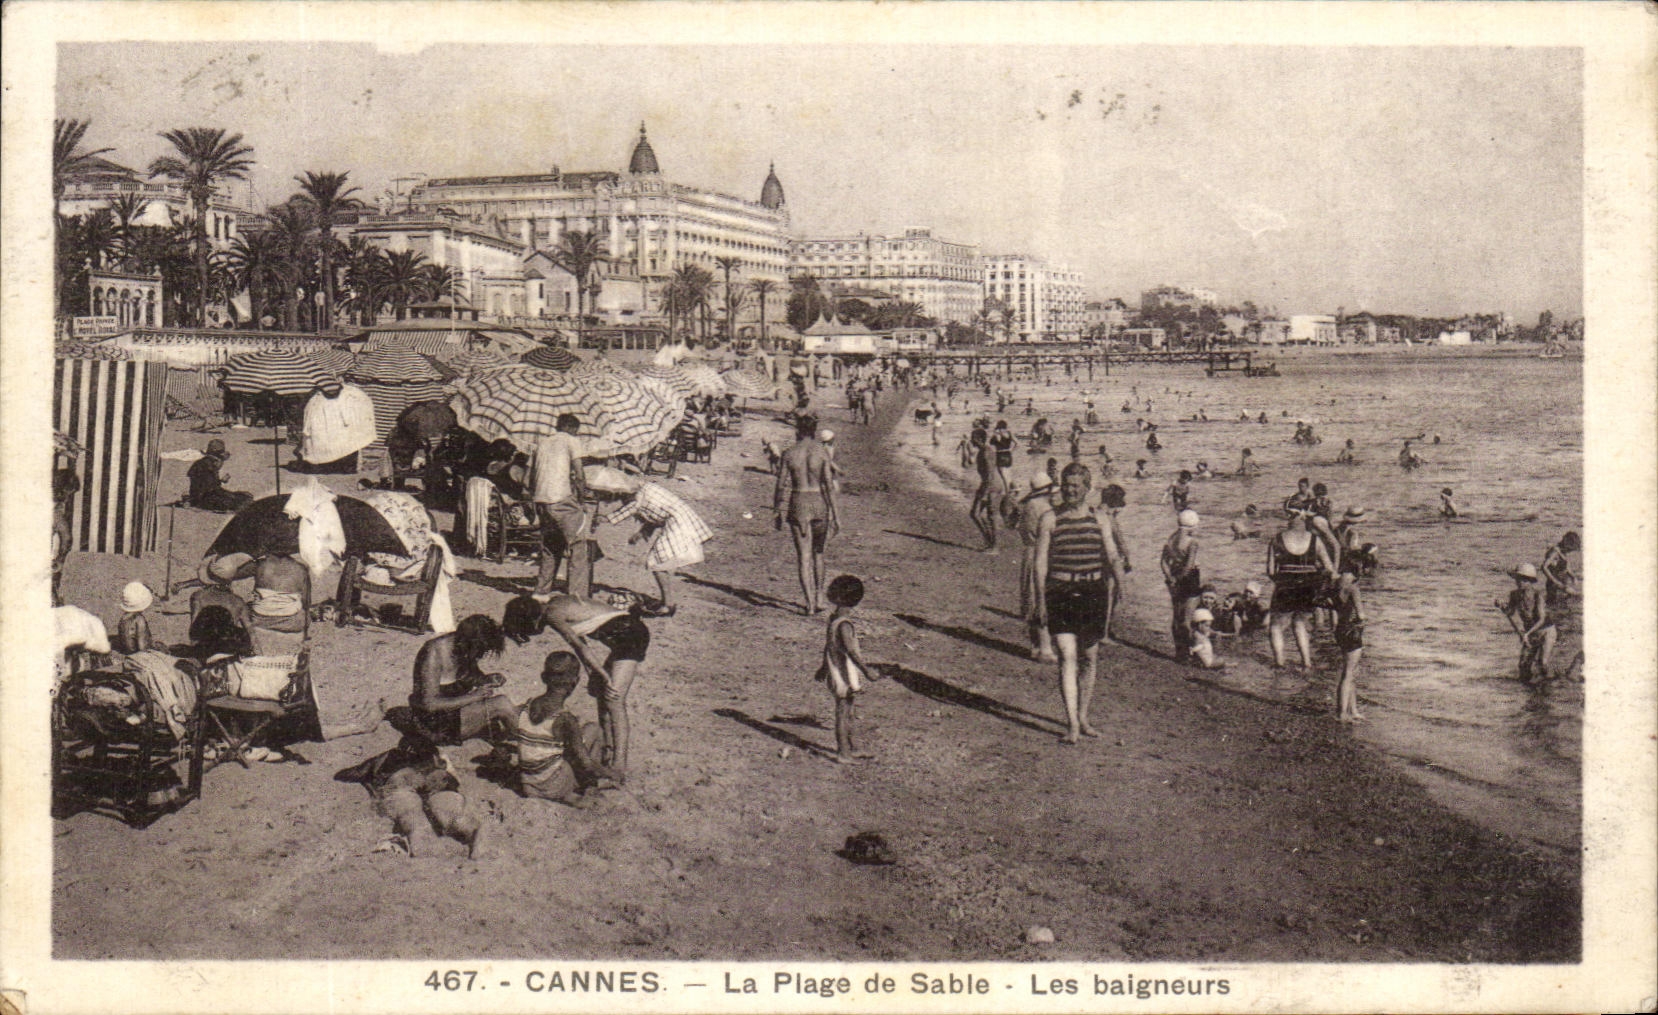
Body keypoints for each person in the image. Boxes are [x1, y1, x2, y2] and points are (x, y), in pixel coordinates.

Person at [502, 593, 651, 777]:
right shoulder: (554, 603)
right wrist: (595, 673)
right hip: (624, 634)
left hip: (630, 636)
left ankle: (619, 764)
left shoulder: (552, 615)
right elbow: (580, 643)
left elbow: (581, 647)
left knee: (614, 700)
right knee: (602, 696)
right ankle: (607, 751)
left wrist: (604, 676)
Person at [1034, 463, 1110, 744]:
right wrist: (1040, 600)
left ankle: (1083, 717)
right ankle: (1072, 725)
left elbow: (1111, 555)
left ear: (1088, 488)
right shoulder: (1049, 519)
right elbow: (1040, 563)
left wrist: (1120, 585)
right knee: (1067, 655)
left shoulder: (1099, 518)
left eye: (1076, 485)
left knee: (1089, 657)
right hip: (1060, 590)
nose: (1070, 490)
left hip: (1092, 591)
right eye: (1066, 485)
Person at [335, 728, 486, 858]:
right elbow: (454, 780)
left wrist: (367, 775)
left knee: (411, 816)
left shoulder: (389, 755)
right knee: (453, 816)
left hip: (401, 777)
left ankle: (423, 846)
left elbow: (348, 774)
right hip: (435, 774)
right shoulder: (435, 758)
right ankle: (474, 834)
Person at [595, 472, 713, 618]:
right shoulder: (646, 489)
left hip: (678, 524)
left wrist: (604, 519)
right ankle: (667, 602)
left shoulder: (638, 496)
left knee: (657, 562)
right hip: (679, 520)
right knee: (662, 562)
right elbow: (655, 515)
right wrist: (640, 534)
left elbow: (627, 511)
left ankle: (668, 605)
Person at [513, 651, 620, 807]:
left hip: (528, 785)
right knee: (594, 730)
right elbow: (587, 763)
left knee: (559, 747)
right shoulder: (564, 718)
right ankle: (589, 788)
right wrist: (611, 773)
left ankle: (568, 794)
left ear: (544, 677)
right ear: (575, 681)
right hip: (553, 785)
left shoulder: (529, 704)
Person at [409, 614, 517, 744]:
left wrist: (486, 679)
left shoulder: (463, 647)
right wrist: (474, 697)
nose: (482, 655)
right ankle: (530, 745)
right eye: (482, 651)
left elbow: (469, 676)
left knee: (513, 709)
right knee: (502, 704)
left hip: (455, 711)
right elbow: (430, 704)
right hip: (434, 724)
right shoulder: (434, 653)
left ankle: (525, 737)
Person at [774, 415, 839, 615]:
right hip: (819, 502)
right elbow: (828, 485)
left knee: (803, 557)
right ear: (814, 431)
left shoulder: (789, 453)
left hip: (798, 502)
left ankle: (809, 604)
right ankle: (820, 597)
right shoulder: (822, 453)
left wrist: (776, 510)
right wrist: (836, 515)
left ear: (797, 431)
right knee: (818, 553)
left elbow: (780, 485)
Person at [816, 575, 878, 764]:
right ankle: (843, 752)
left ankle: (852, 747)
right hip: (843, 673)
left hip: (836, 669)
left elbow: (828, 646)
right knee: (843, 711)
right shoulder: (844, 625)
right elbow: (851, 651)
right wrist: (867, 670)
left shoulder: (833, 619)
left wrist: (823, 667)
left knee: (848, 709)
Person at [530, 413, 591, 601]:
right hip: (561, 499)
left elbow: (530, 478)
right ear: (572, 428)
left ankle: (541, 592)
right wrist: (581, 498)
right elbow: (579, 474)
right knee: (578, 546)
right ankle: (576, 596)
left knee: (550, 546)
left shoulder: (541, 443)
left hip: (541, 499)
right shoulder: (571, 441)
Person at [1267, 509, 1334, 670]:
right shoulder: (1314, 540)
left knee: (1276, 625)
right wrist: (1317, 581)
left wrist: (1282, 581)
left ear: (1289, 519)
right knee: (1300, 623)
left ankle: (1279, 662)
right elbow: (1329, 569)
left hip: (1285, 585)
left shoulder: (1276, 539)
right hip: (1308, 586)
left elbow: (1270, 571)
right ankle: (1306, 662)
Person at [1016, 469, 1060, 662]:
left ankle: (1036, 646)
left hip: (1029, 551)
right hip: (1042, 552)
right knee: (1043, 598)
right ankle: (1045, 648)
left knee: (1032, 598)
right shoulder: (1044, 508)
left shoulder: (1028, 505)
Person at [248, 530, 311, 657]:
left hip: (261, 619)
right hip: (291, 621)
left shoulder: (261, 565)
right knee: (303, 611)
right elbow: (306, 601)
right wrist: (306, 631)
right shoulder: (300, 569)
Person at [299, 379, 375, 473]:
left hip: (341, 406)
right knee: (322, 437)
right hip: (324, 406)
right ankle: (326, 464)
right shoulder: (316, 400)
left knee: (345, 439)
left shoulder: (351, 395)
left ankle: (343, 465)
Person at [1497, 563, 1556, 682]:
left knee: (1542, 663)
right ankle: (1527, 690)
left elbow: (1541, 619)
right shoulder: (1514, 595)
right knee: (1523, 666)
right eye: (1518, 579)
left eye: (1524, 580)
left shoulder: (1538, 595)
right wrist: (1502, 606)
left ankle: (1550, 685)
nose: (1520, 582)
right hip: (1530, 633)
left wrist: (1527, 634)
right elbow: (1510, 612)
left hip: (1546, 631)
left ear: (1530, 581)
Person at [1160, 510, 1203, 662]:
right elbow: (1189, 566)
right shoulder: (1192, 542)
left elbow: (1163, 562)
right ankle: (1190, 652)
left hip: (1173, 579)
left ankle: (1179, 651)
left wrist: (1171, 578)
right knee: (1187, 618)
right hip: (1189, 580)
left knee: (1176, 616)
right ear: (1192, 526)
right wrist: (1180, 579)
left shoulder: (1170, 540)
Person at [1330, 567, 1366, 721]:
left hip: (1340, 629)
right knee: (1349, 673)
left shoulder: (1336, 587)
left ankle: (1353, 709)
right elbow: (1361, 615)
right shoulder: (1353, 588)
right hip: (1352, 631)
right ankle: (1342, 713)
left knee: (1350, 672)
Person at [1099, 483, 1132, 644]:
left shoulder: (1097, 512)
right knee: (1110, 597)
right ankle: (1104, 633)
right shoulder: (1109, 517)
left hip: (1101, 558)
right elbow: (1120, 540)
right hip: (1110, 560)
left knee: (1106, 596)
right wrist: (1128, 559)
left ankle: (1103, 630)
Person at [185, 439, 252, 512]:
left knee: (242, 496)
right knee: (234, 502)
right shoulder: (207, 466)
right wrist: (221, 481)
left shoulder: (205, 463)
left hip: (206, 494)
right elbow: (208, 488)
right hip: (203, 497)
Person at [968, 421, 1003, 552]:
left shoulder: (986, 452)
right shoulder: (984, 451)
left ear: (979, 439)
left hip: (992, 486)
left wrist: (984, 493)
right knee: (974, 513)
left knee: (991, 516)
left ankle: (995, 546)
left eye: (973, 439)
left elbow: (990, 474)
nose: (971, 441)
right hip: (988, 484)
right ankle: (989, 541)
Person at [114, 581, 162, 655]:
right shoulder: (139, 620)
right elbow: (142, 647)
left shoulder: (123, 618)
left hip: (126, 651)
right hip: (136, 655)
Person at [1541, 530, 1581, 609]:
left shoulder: (1563, 552)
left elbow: (1566, 568)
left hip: (1562, 583)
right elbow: (1544, 567)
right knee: (1555, 604)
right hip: (1554, 584)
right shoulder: (1555, 551)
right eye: (1570, 549)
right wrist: (1555, 582)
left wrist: (1572, 576)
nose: (1570, 551)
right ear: (1567, 545)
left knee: (1563, 604)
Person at [990, 420, 1016, 485]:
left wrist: (994, 434)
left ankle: (1007, 492)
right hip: (1008, 454)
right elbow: (1017, 443)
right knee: (1008, 474)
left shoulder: (997, 434)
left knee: (1003, 476)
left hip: (1000, 455)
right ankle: (1014, 487)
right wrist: (1011, 450)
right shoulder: (1009, 433)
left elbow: (991, 443)